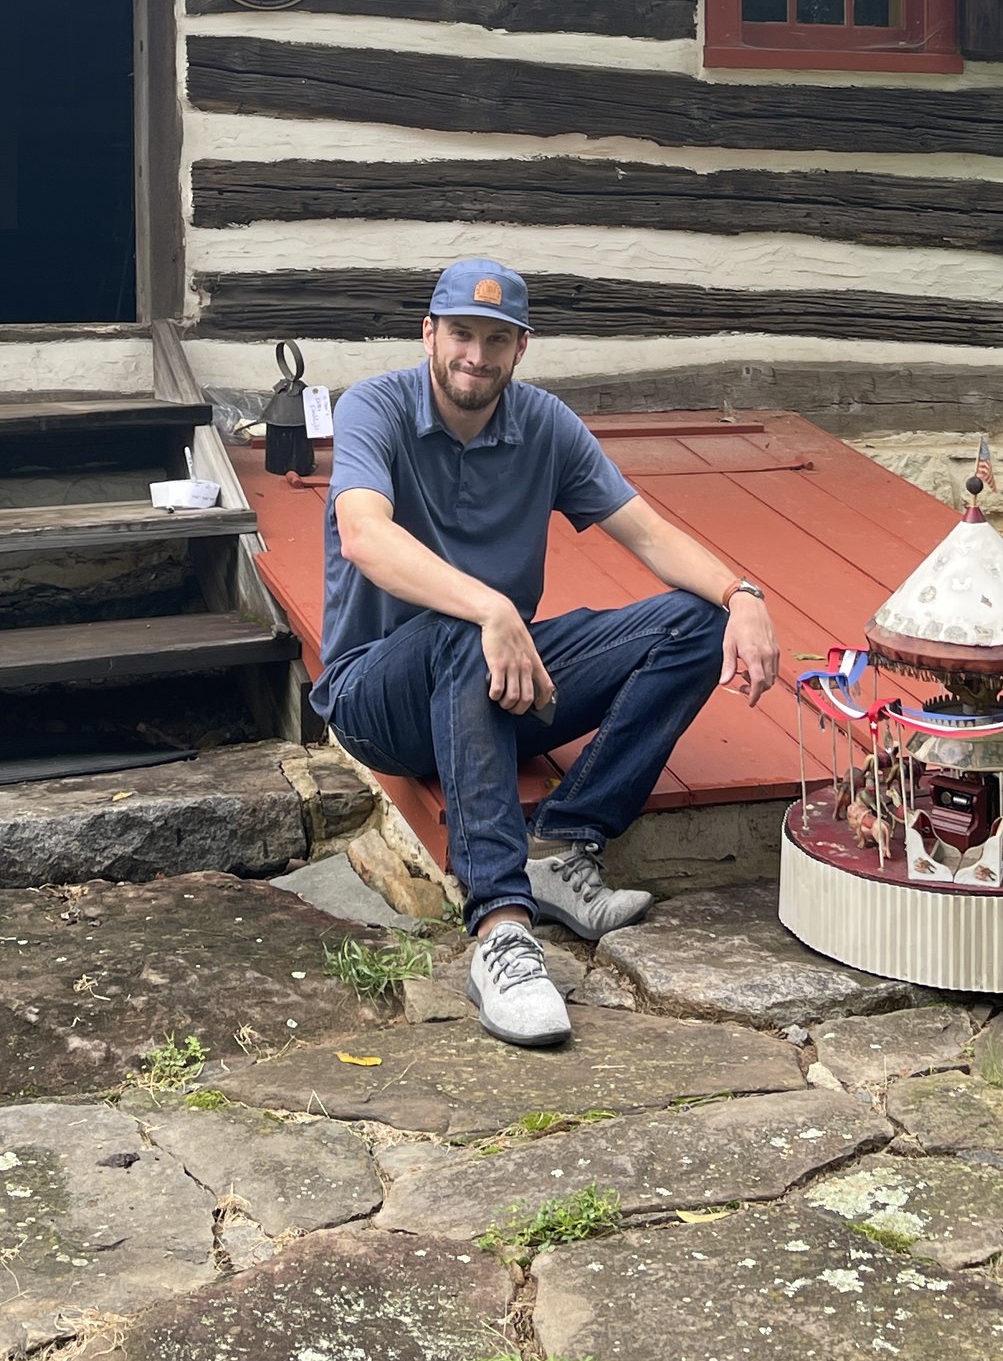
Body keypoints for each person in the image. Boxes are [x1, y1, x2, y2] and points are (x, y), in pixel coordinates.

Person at [312, 261, 780, 1046]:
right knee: (464, 626)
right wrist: (491, 604)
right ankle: (499, 927)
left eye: (497, 339)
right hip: (376, 694)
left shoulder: (545, 423)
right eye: (461, 333)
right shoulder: (376, 407)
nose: (476, 355)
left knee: (694, 622)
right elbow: (363, 532)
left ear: (521, 348)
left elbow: (649, 533)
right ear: (429, 333)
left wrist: (744, 596)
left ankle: (563, 844)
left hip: (495, 685)